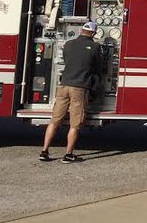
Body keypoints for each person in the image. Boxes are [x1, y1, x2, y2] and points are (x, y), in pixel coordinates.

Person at [40, 20, 102, 163]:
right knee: (75, 124)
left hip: (63, 85)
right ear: (93, 33)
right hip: (79, 88)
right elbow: (97, 69)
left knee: (54, 121)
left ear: (82, 30)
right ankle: (68, 154)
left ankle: (44, 151)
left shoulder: (68, 44)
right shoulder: (95, 47)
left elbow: (67, 60)